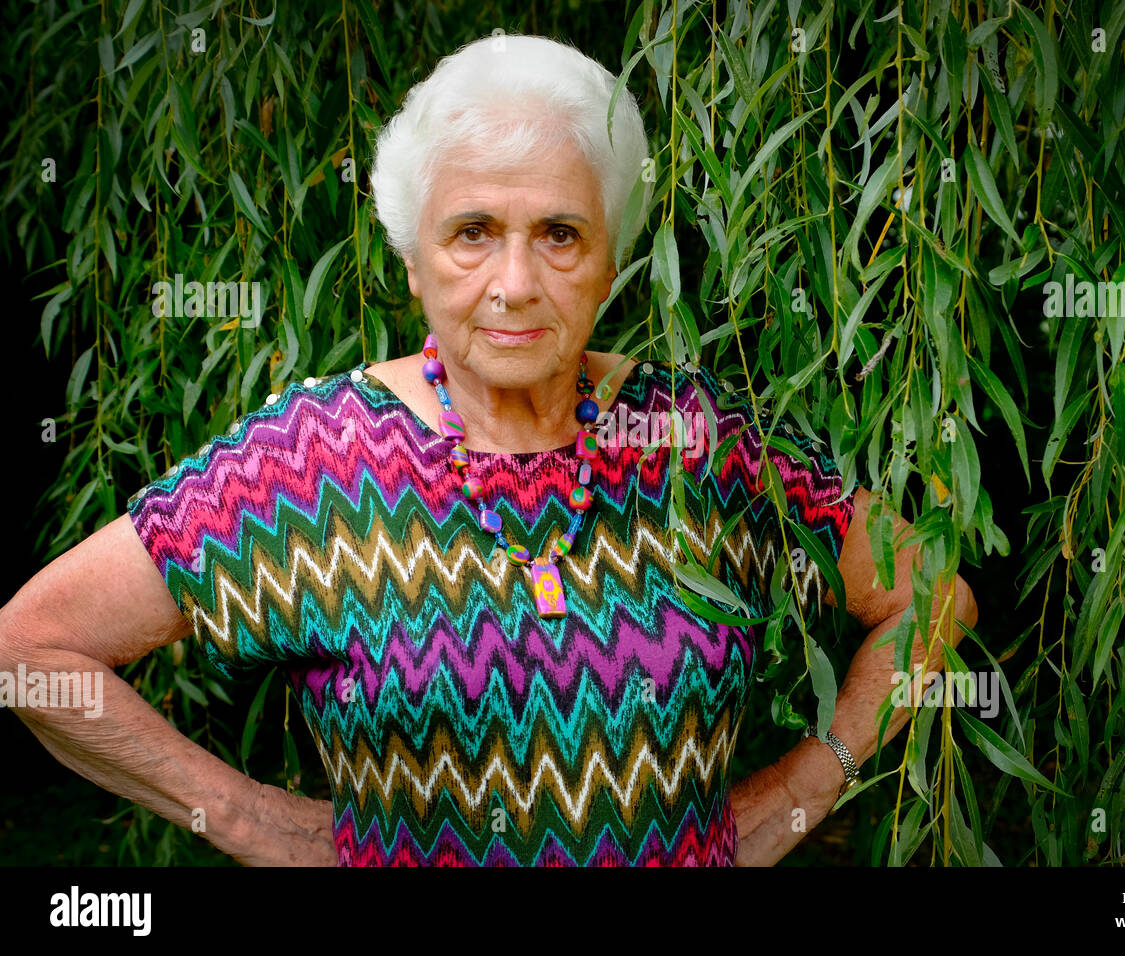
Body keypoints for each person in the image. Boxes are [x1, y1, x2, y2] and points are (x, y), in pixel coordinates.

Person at [0, 33, 977, 866]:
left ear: (611, 252)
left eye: (559, 232)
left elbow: (927, 587)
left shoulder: (704, 438)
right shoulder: (309, 460)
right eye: (472, 232)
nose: (514, 283)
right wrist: (253, 820)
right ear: (412, 257)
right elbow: (30, 645)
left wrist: (799, 791)